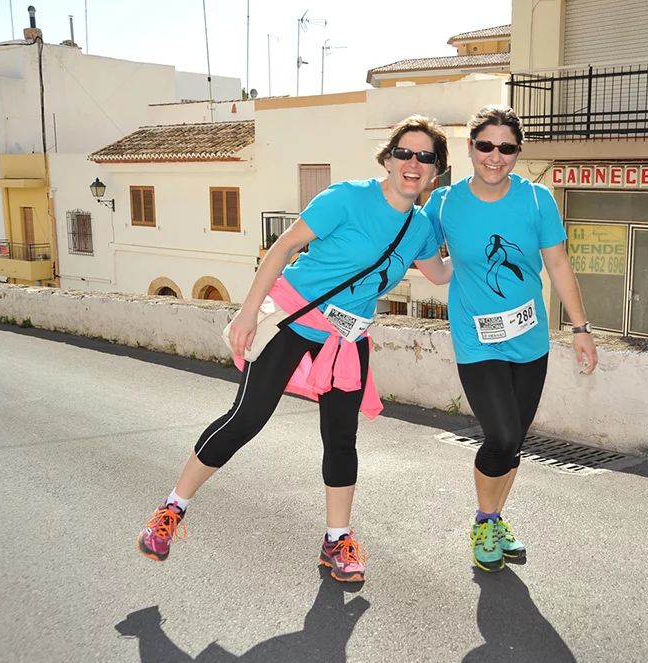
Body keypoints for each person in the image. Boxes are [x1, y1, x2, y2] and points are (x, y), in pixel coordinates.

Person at [137, 115, 451, 582]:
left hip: (346, 337)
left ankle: (336, 541)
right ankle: (171, 509)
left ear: (435, 172)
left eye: (426, 157)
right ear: (388, 159)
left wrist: (476, 244)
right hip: (293, 318)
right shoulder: (347, 198)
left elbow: (440, 274)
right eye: (405, 152)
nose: (413, 162)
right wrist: (247, 312)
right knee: (247, 419)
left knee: (342, 439)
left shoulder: (421, 227)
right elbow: (283, 247)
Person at [423, 105, 598, 572]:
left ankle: (496, 518)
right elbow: (424, 254)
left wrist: (580, 329)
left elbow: (558, 266)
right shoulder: (443, 203)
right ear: (470, 147)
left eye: (506, 148)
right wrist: (430, 268)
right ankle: (483, 522)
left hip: (530, 340)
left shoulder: (538, 200)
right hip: (476, 340)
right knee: (500, 434)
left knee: (514, 440)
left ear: (518, 152)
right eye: (485, 146)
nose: (494, 157)